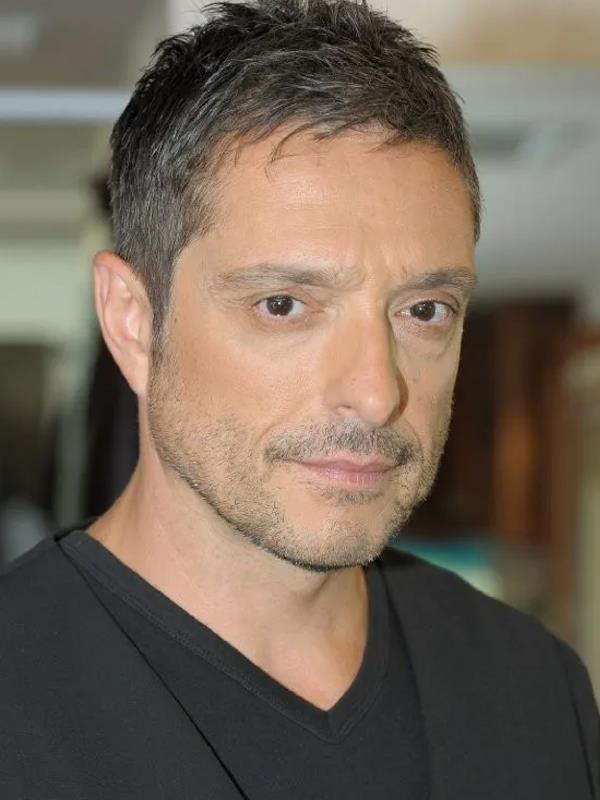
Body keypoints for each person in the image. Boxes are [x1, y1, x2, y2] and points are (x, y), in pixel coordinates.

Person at [1, 1, 598, 797]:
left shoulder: (537, 690)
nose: (377, 393)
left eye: (425, 311)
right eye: (283, 304)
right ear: (133, 320)